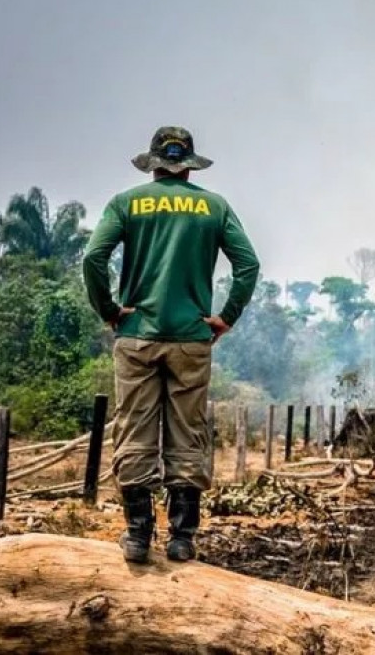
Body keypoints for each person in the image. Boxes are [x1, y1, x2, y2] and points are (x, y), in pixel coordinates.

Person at [82, 126, 260, 563]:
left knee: (134, 430)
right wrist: (226, 317)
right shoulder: (214, 207)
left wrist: (109, 309)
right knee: (188, 432)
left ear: (154, 162)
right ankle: (182, 539)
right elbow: (248, 264)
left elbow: (93, 258)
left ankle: (139, 536)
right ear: (189, 165)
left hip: (137, 337)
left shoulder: (127, 203)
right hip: (191, 340)